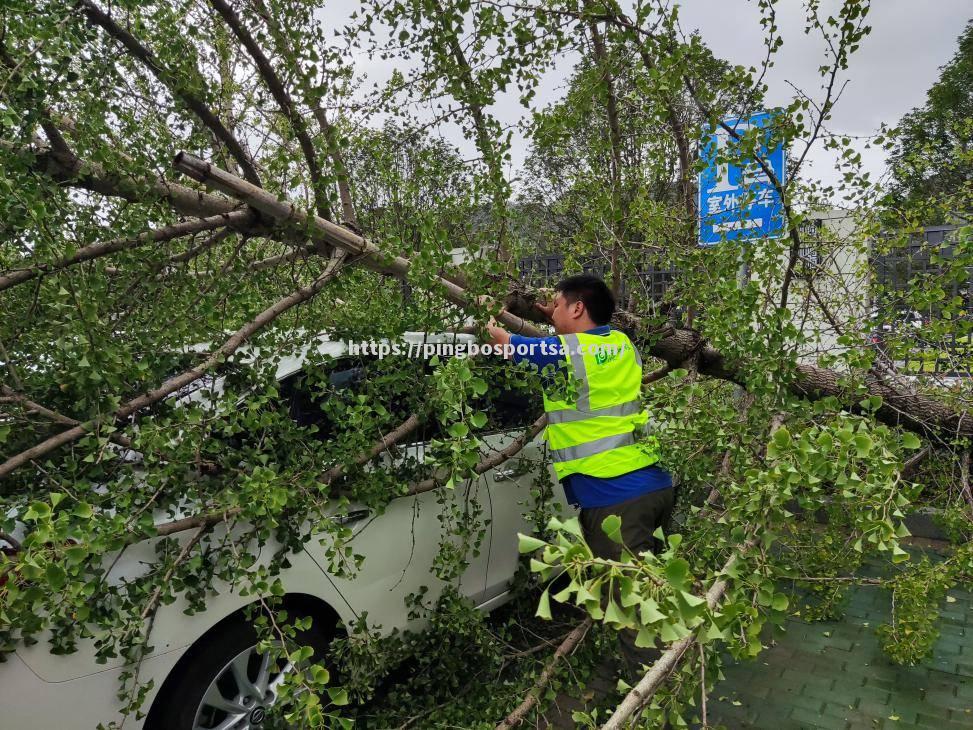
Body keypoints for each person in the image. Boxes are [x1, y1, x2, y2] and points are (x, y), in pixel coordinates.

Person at [484, 273, 674, 676]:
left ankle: (646, 696)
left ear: (577, 308)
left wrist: (486, 310)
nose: (552, 311)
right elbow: (574, 359)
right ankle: (666, 661)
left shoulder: (564, 351)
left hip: (615, 500)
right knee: (653, 590)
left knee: (630, 610)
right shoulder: (621, 344)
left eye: (557, 303)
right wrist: (550, 316)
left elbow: (502, 341)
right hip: (654, 487)